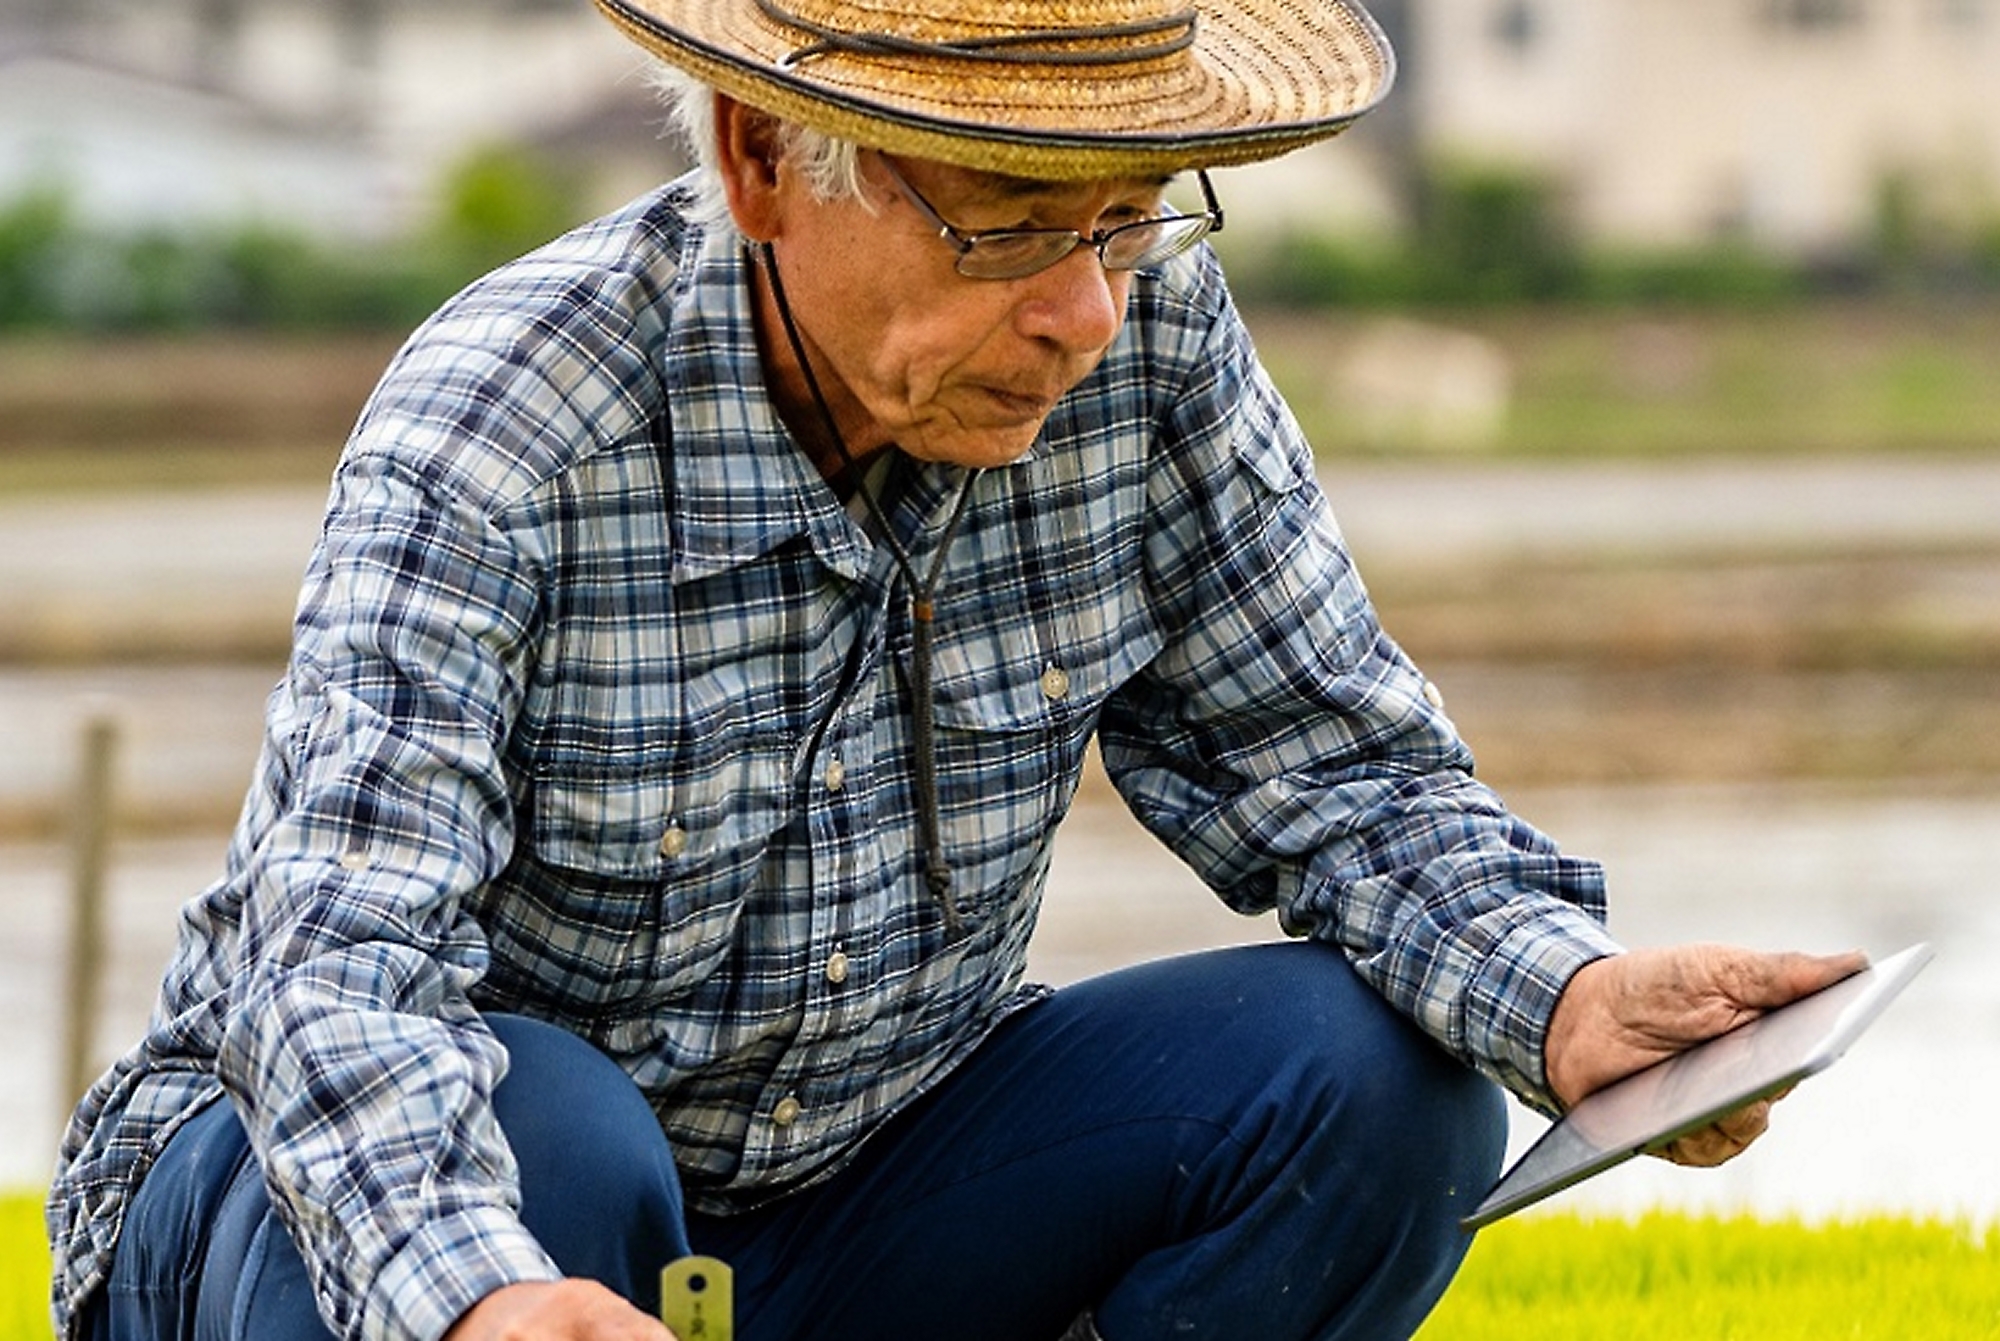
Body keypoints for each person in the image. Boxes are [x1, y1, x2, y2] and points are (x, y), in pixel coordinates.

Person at [48, 0, 1864, 1338]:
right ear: (765, 164)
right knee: (558, 1130)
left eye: (1131, 212)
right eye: (1007, 214)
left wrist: (1564, 997)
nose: (1084, 308)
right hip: (358, 1221)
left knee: (1377, 1082)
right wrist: (476, 1298)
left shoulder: (1142, 352)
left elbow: (1341, 766)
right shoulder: (506, 431)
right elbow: (340, 976)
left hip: (849, 1181)